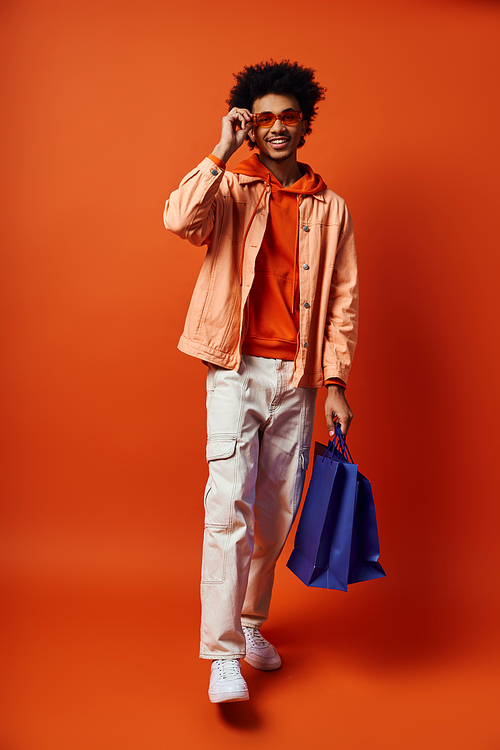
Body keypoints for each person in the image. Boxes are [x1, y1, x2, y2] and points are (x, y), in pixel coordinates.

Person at [164, 60, 358, 703]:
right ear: (252, 123)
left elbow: (341, 302)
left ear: (305, 125)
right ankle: (220, 656)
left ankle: (250, 625)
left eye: (289, 117)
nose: (278, 127)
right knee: (228, 510)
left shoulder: (330, 207)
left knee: (273, 514)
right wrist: (221, 146)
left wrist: (334, 381)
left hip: (299, 380)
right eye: (265, 117)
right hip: (234, 368)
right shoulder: (229, 187)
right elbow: (177, 219)